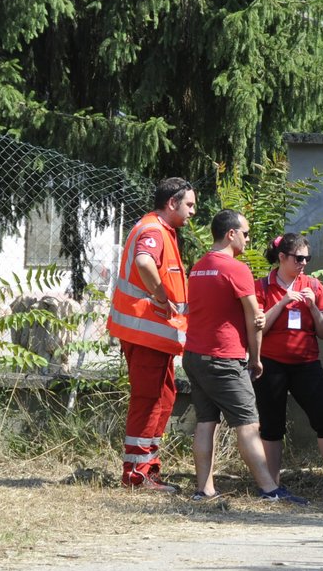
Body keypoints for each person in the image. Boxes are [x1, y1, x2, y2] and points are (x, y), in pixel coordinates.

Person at [182, 210, 301, 504]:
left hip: (195, 356)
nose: (248, 239)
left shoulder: (197, 267)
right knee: (248, 423)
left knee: (205, 422)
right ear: (230, 234)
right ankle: (269, 489)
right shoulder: (236, 269)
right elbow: (255, 318)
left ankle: (204, 489)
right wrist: (256, 358)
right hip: (224, 358)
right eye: (245, 233)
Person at [106, 177, 195, 492]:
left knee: (163, 397)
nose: (193, 212)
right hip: (145, 334)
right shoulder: (154, 231)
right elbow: (144, 262)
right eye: (189, 205)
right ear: (172, 203)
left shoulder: (160, 230)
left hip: (151, 336)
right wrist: (160, 295)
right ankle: (137, 474)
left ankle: (147, 469)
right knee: (149, 401)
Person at [253, 233, 323, 500]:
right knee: (272, 425)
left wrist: (314, 308)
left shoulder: (313, 285)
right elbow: (259, 327)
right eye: (299, 258)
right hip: (271, 364)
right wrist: (283, 302)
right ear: (282, 258)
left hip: (306, 363)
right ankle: (271, 486)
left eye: (307, 258)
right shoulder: (263, 287)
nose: (304, 263)